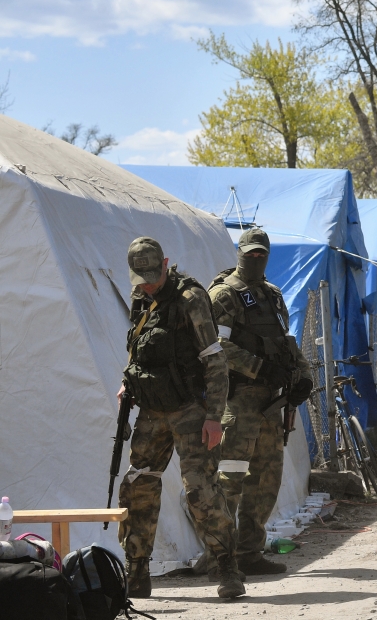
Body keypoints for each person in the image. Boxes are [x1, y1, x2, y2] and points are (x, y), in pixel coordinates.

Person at [118, 237, 243, 599]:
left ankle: (227, 567)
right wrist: (128, 381)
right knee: (137, 486)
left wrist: (214, 417)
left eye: (153, 276)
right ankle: (136, 570)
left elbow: (214, 359)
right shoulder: (141, 296)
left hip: (191, 408)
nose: (148, 284)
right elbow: (139, 349)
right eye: (141, 278)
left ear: (166, 263)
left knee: (200, 490)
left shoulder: (191, 298)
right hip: (152, 409)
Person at [207, 229, 313, 577]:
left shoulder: (272, 295)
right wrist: (259, 368)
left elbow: (285, 342)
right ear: (239, 254)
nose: (255, 259)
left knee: (266, 480)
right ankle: (220, 557)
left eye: (260, 254)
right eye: (249, 254)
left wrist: (302, 375)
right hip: (238, 403)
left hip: (271, 404)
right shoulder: (224, 295)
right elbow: (215, 346)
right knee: (229, 480)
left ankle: (249, 553)